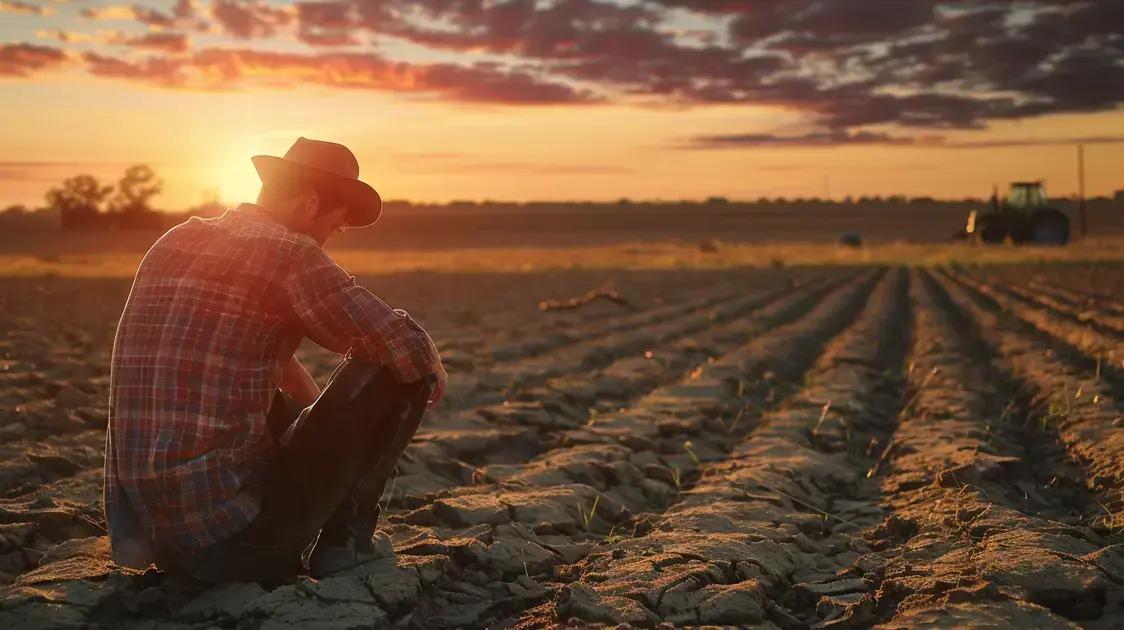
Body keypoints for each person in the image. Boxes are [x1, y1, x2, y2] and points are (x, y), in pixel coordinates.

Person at [103, 137, 448, 582]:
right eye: (336, 226)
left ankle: (330, 531)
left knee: (274, 402)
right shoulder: (289, 252)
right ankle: (349, 542)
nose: (329, 240)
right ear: (309, 204)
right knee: (403, 367)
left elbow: (253, 360)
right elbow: (405, 346)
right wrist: (431, 372)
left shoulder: (176, 241)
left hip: (160, 543)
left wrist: (317, 418)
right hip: (238, 545)